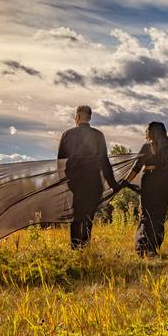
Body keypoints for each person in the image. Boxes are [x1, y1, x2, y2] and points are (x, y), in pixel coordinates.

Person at [57, 105, 120, 249]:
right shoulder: (98, 135)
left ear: (77, 117)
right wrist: (113, 184)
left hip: (74, 183)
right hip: (94, 183)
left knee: (76, 216)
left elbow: (60, 161)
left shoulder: (67, 135)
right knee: (88, 217)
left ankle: (75, 248)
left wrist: (63, 182)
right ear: (89, 117)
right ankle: (85, 246)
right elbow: (105, 162)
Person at [127, 122, 168, 258]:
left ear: (152, 132)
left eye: (147, 130)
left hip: (150, 182)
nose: (145, 132)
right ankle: (153, 250)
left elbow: (136, 168)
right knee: (159, 216)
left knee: (146, 216)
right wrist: (162, 173)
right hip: (166, 183)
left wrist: (126, 181)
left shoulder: (147, 147)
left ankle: (142, 249)